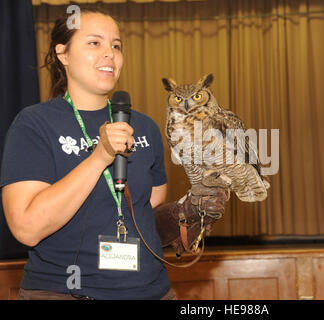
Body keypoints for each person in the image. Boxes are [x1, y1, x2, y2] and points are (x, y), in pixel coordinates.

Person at [0, 9, 228, 300]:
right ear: (63, 54)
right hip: (66, 293)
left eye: (116, 45)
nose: (109, 53)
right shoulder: (34, 124)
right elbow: (26, 228)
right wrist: (98, 159)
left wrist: (188, 215)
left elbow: (149, 207)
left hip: (152, 291)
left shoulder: (144, 126)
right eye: (94, 43)